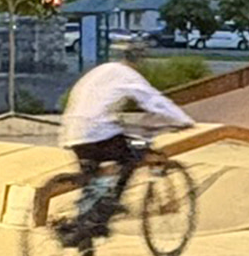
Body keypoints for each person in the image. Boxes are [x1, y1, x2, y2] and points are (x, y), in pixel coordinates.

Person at [59, 40, 195, 240]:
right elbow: (153, 100)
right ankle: (111, 204)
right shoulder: (128, 75)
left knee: (92, 178)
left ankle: (84, 227)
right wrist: (183, 120)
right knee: (133, 154)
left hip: (72, 132)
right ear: (137, 59)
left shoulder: (98, 72)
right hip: (98, 131)